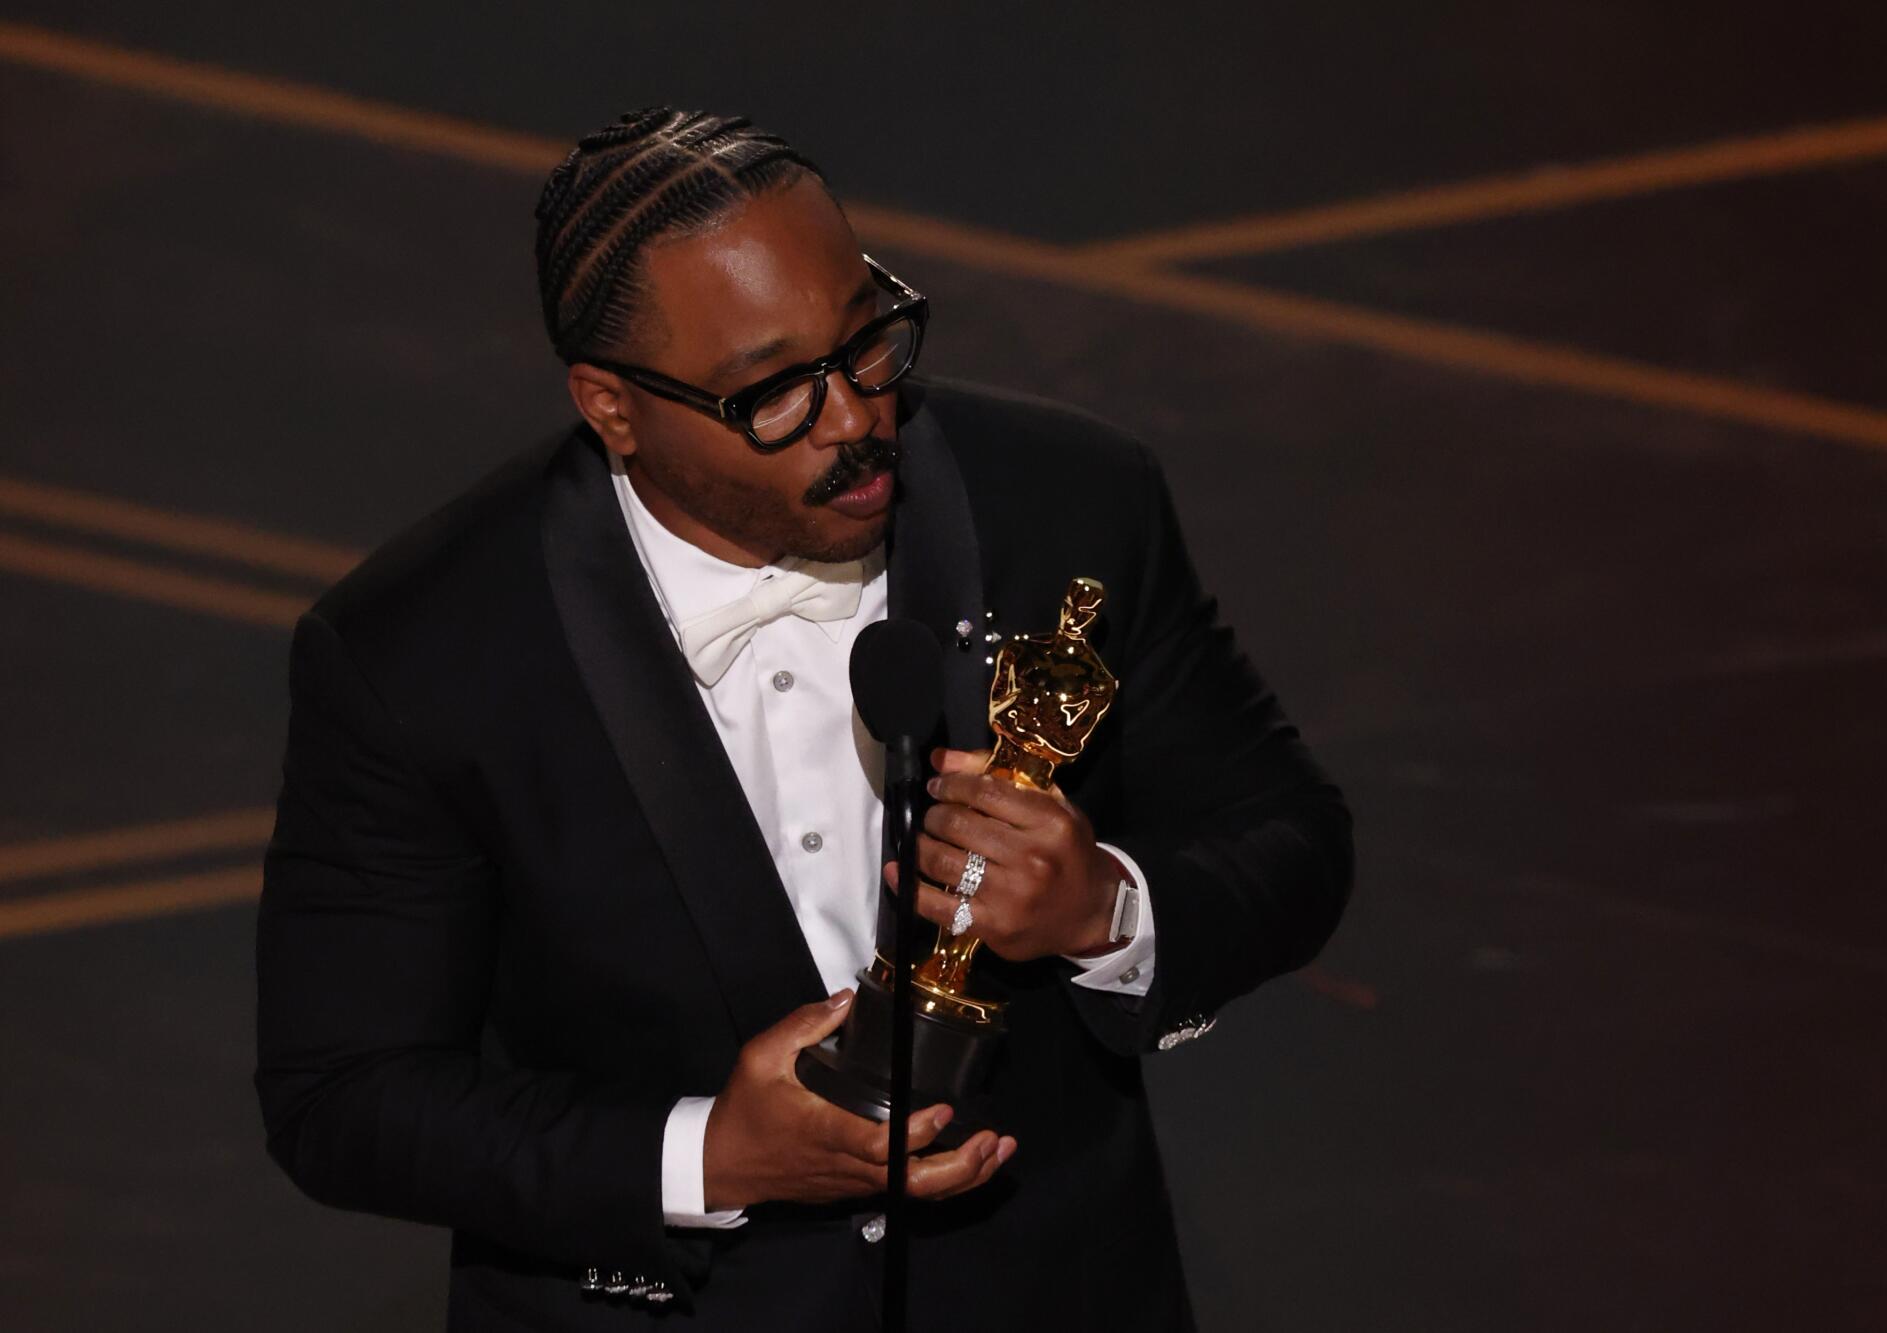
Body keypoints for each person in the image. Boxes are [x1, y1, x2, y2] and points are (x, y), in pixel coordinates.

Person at [255, 106, 1353, 1332]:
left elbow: (1288, 836)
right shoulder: (423, 649)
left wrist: (1106, 910)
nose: (853, 418)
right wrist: (708, 1154)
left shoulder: (1070, 501)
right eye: (770, 391)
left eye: (867, 339)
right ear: (610, 407)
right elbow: (343, 1097)